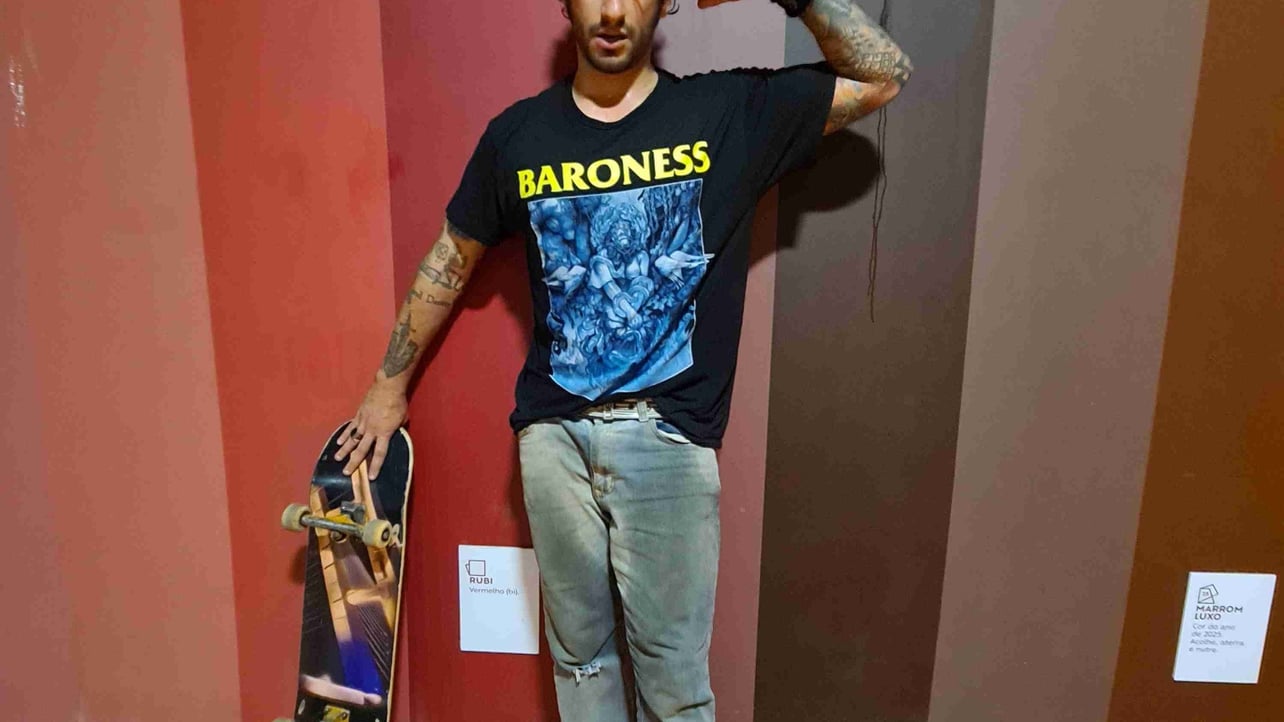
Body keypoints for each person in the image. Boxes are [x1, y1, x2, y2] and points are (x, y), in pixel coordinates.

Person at [336, 0, 911, 719]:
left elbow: (883, 76)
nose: (612, 11)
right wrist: (387, 386)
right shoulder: (518, 136)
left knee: (675, 687)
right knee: (579, 666)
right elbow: (453, 257)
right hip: (553, 439)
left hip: (667, 439)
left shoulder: (727, 112)